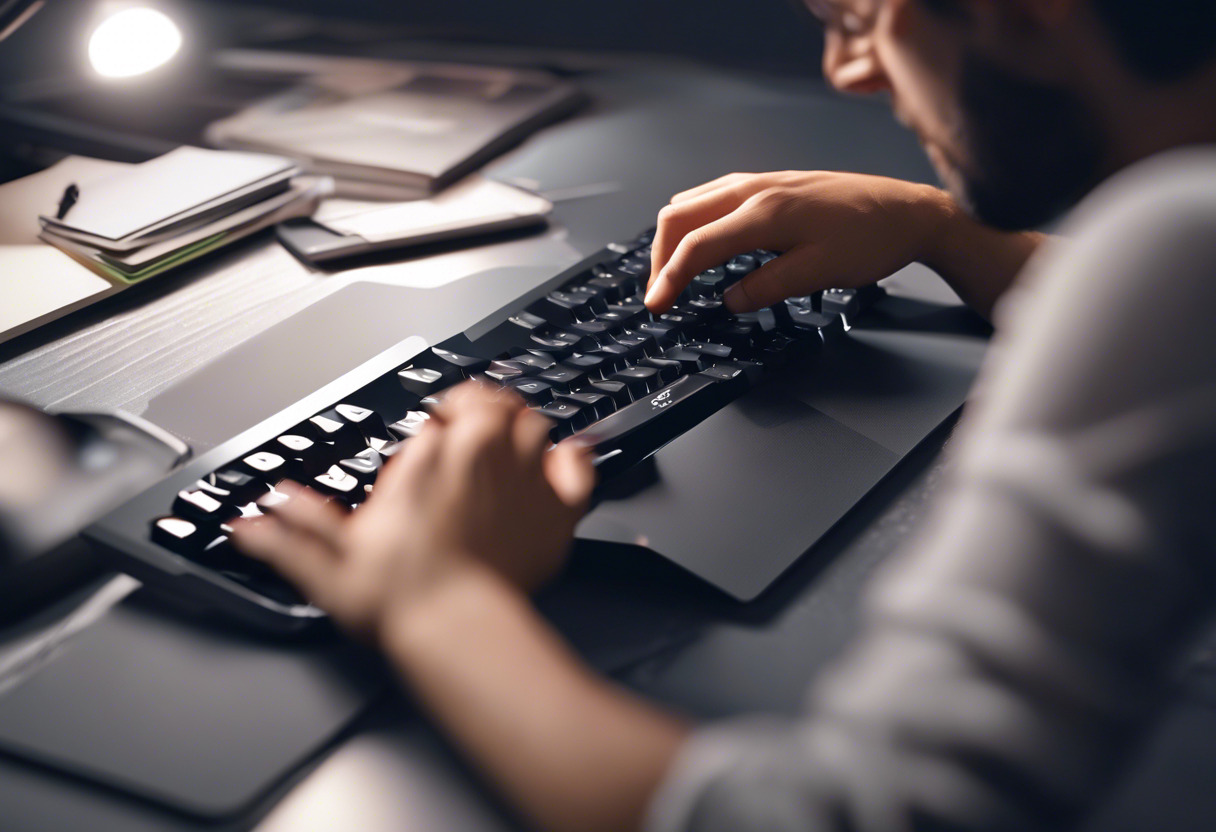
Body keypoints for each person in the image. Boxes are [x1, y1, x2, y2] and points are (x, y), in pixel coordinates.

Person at [232, 0, 1216, 830]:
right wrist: (949, 231)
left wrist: (436, 604)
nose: (846, 73)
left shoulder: (1177, 239)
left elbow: (869, 813)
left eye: (855, 18)